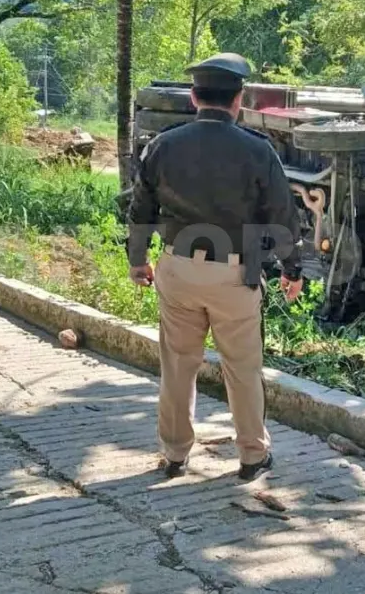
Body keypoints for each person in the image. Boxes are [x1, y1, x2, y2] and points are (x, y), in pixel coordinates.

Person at [126, 52, 303, 481]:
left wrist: (137, 261)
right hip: (233, 274)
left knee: (177, 365)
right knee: (242, 369)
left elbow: (140, 208)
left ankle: (173, 455)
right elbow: (282, 216)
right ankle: (251, 456)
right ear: (238, 99)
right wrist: (292, 268)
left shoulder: (163, 145)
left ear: (193, 96)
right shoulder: (258, 152)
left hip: (177, 268)